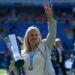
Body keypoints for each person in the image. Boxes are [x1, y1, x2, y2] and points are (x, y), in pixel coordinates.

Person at [21, 4, 56, 75]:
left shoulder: (45, 46)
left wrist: (50, 17)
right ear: (27, 37)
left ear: (39, 36)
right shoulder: (21, 53)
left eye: (36, 34)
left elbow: (52, 33)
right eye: (31, 35)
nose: (34, 37)